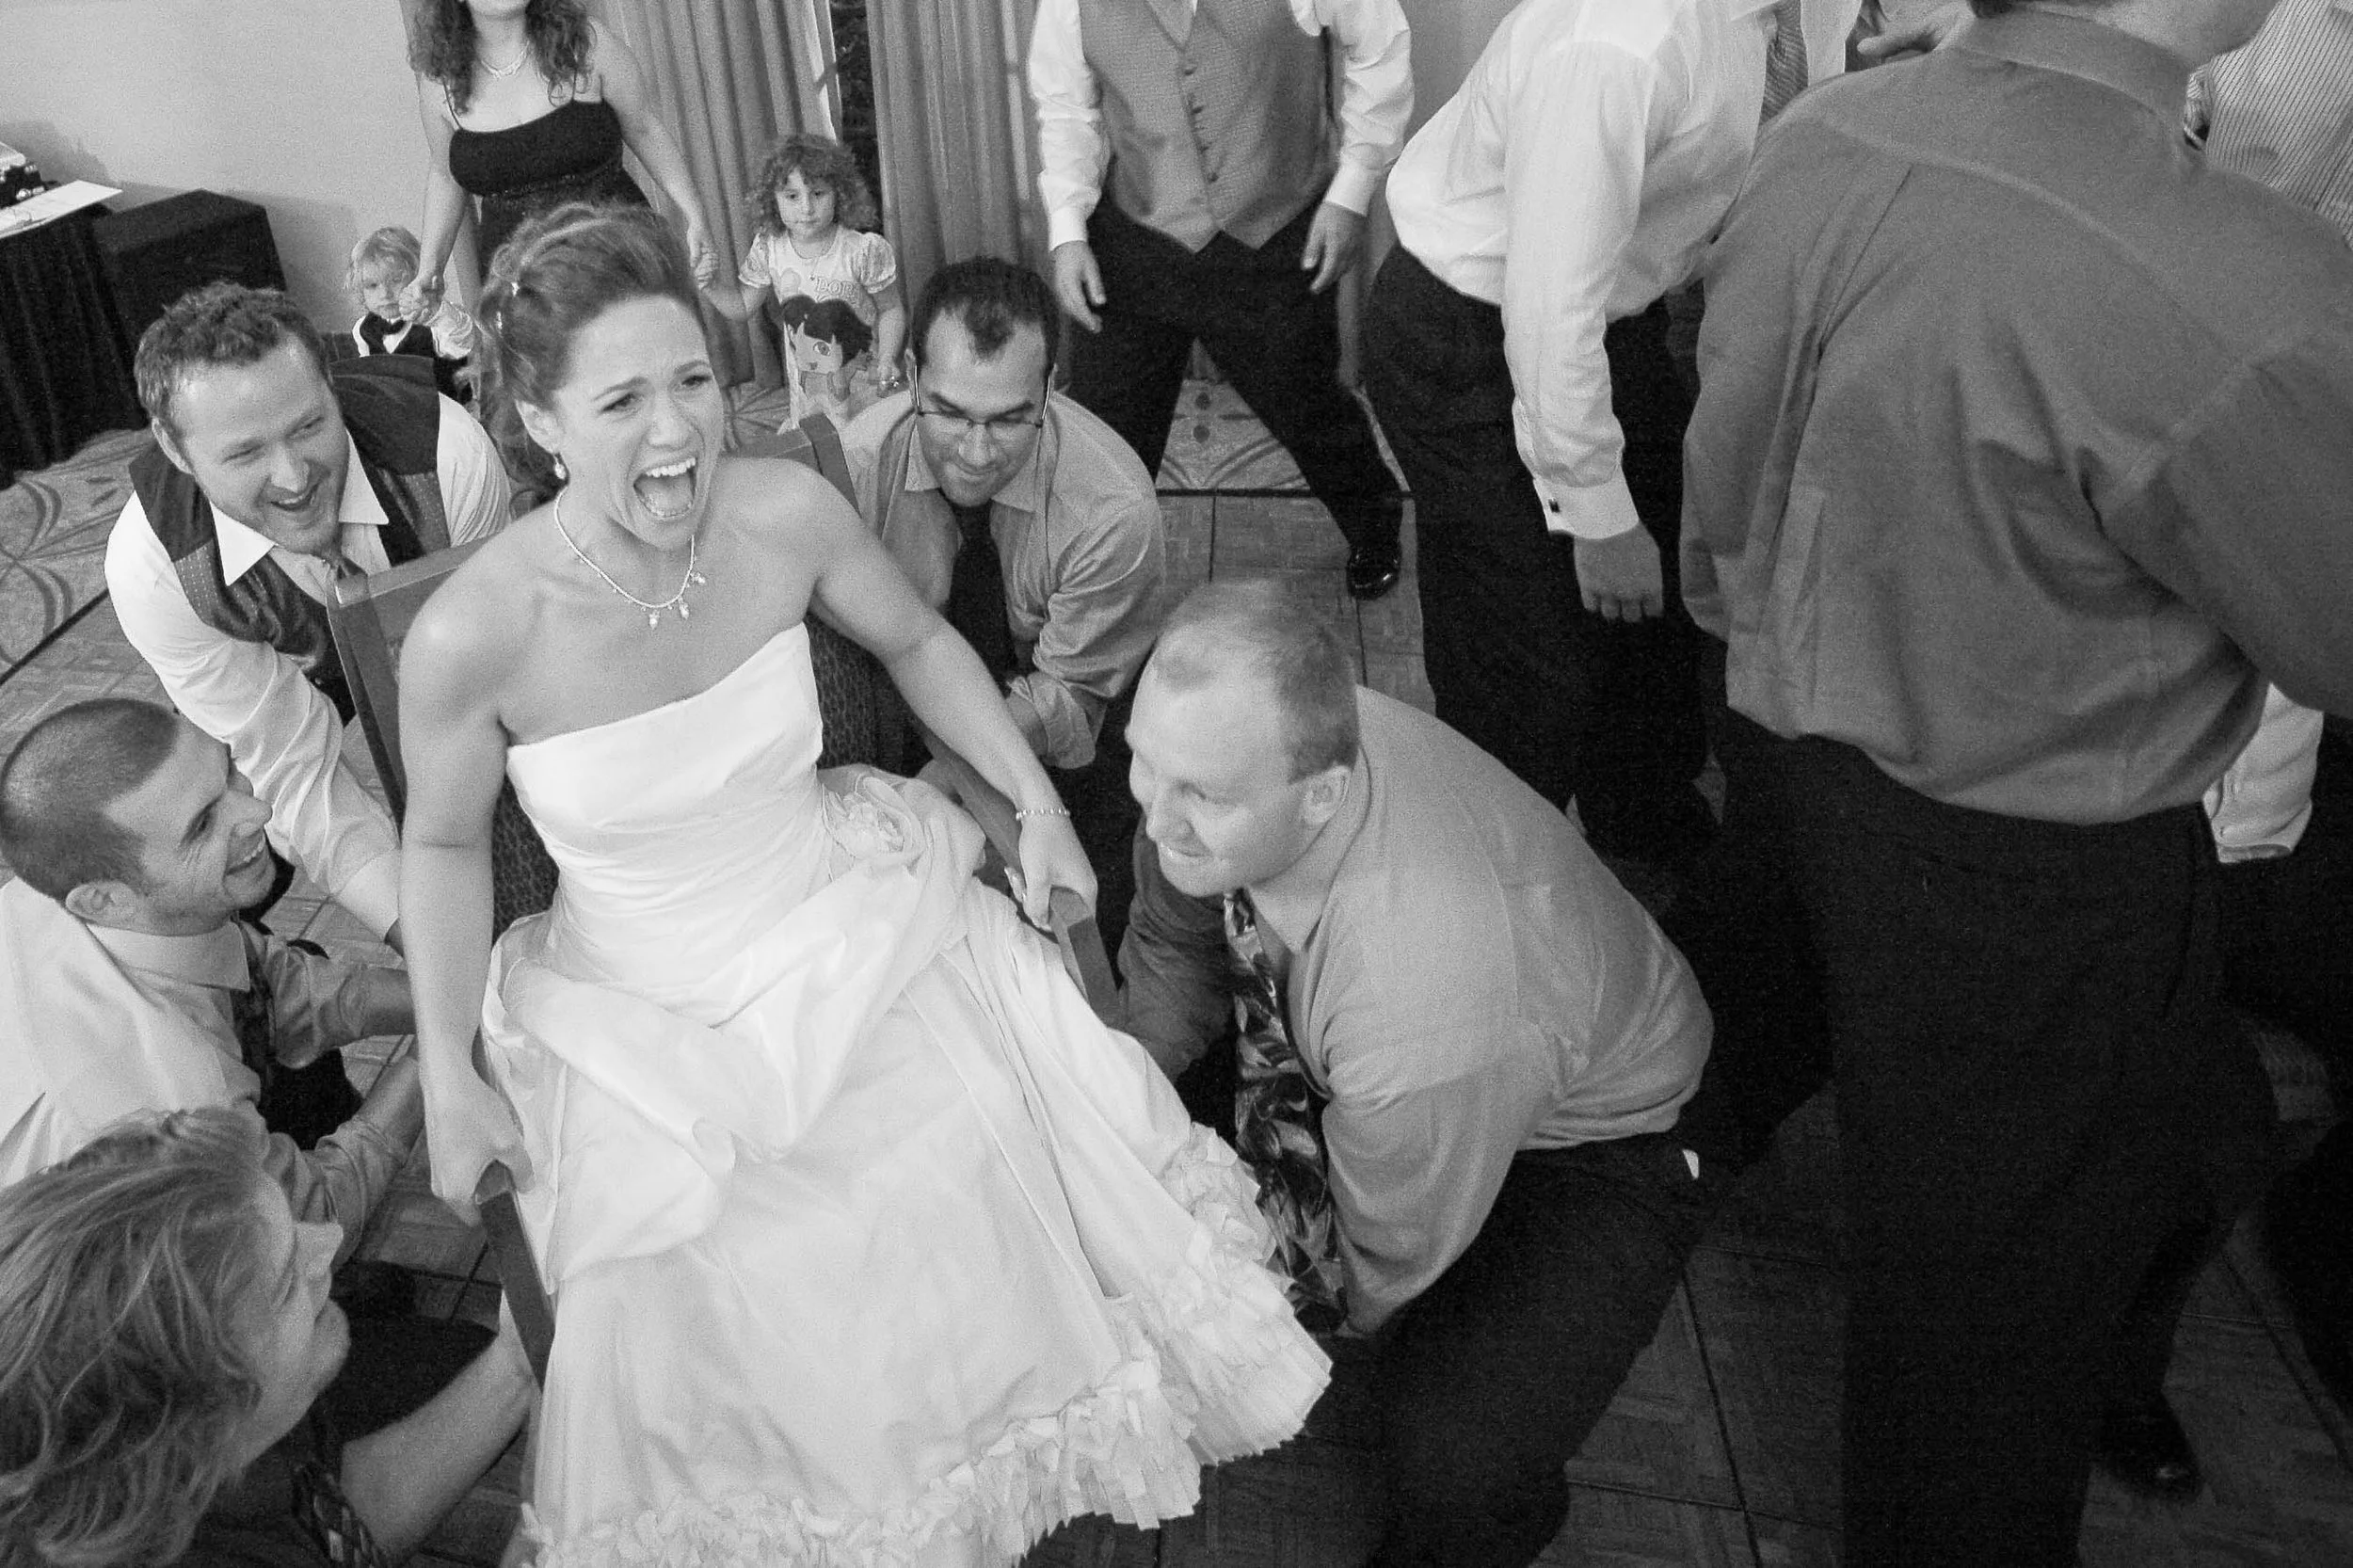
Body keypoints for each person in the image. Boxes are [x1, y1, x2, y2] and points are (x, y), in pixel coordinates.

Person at [395, 204, 1326, 1561]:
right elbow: (434, 845)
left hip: (846, 908)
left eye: (695, 381)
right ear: (536, 419)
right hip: (644, 1008)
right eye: (622, 400)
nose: (678, 433)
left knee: (973, 1156)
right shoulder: (474, 631)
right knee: (710, 1279)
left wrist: (1030, 800)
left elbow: (917, 640)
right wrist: (440, 1063)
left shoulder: (782, 510)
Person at [1676, 0, 2353, 1557]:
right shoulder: (2245, 277)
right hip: (2035, 879)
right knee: (1982, 1354)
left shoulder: (1819, 136)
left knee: (1760, 1066)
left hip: (1795, 755)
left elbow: (1726, 464)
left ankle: (1590, 1228)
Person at [1119, 581, 1713, 1567]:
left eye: (1204, 797)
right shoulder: (1240, 759)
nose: (1158, 819)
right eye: (1145, 763)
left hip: (1598, 1142)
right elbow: (1175, 938)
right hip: (1414, 1058)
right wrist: (1124, 1079)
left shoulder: (1418, 995)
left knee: (1458, 1454)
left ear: (1322, 793)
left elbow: (1387, 1251)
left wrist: (1270, 1321)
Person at [1363, 0, 1856, 867]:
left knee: (1655, 617)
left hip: (1613, 317)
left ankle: (1641, 827)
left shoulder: (1793, 14)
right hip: (1471, 331)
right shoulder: (1617, 40)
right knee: (1526, 658)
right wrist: (1595, 512)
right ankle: (1496, 879)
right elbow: (1549, 311)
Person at [104, 283, 511, 950]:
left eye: (310, 427)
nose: (294, 478)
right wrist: (426, 935)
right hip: (268, 675)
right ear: (175, 450)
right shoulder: (156, 571)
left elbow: (504, 685)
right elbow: (291, 769)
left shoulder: (445, 456)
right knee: (238, 862)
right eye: (243, 454)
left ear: (332, 388)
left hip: (451, 654)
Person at [0, 1106, 532, 1567]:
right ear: (199, 1433)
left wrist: (515, 1362)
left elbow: (337, 1516)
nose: (331, 1241)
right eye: (284, 1285)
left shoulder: (212, 1452)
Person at [0, 699, 422, 1263]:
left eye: (227, 772)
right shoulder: (175, 1109)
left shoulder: (65, 877)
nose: (259, 810)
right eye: (203, 825)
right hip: (107, 1305)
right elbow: (310, 1228)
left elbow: (265, 982)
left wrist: (440, 997)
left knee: (299, 960)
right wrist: (441, 1057)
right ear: (104, 899)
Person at [1027, 0, 1413, 600]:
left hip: (1274, 230)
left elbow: (1380, 47)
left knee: (1307, 408)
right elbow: (1069, 108)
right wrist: (1068, 230)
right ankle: (1095, 581)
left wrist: (1352, 189)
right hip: (1135, 239)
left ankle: (1373, 519)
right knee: (1107, 431)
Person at [841, 258, 1165, 957]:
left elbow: (1070, 697)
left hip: (1065, 725)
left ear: (1051, 390)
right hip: (895, 714)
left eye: (1011, 420)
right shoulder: (859, 467)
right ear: (913, 381)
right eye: (950, 414)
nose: (977, 452)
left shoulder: (1115, 513)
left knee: (1097, 919)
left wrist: (953, 769)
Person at [404, 0, 718, 310]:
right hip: (520, 284)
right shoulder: (440, 82)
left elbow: (645, 129)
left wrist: (695, 214)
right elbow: (446, 176)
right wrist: (429, 269)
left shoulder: (586, 42)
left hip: (620, 259)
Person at [701, 132, 909, 398]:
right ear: (773, 200)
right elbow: (742, 307)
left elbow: (891, 308)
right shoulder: (769, 247)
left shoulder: (863, 250)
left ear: (839, 193)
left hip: (864, 384)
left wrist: (887, 357)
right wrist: (709, 285)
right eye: (792, 196)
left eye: (818, 193)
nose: (807, 208)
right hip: (809, 391)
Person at [346, 228, 475, 407]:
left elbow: (464, 341)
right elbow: (371, 373)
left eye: (396, 280)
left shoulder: (435, 322)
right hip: (403, 415)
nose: (385, 294)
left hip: (448, 413)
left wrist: (437, 314)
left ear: (418, 276)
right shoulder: (363, 329)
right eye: (372, 285)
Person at [776, 294, 884, 430]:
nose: (811, 359)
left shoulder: (855, 371)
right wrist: (795, 422)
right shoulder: (811, 375)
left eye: (822, 349)